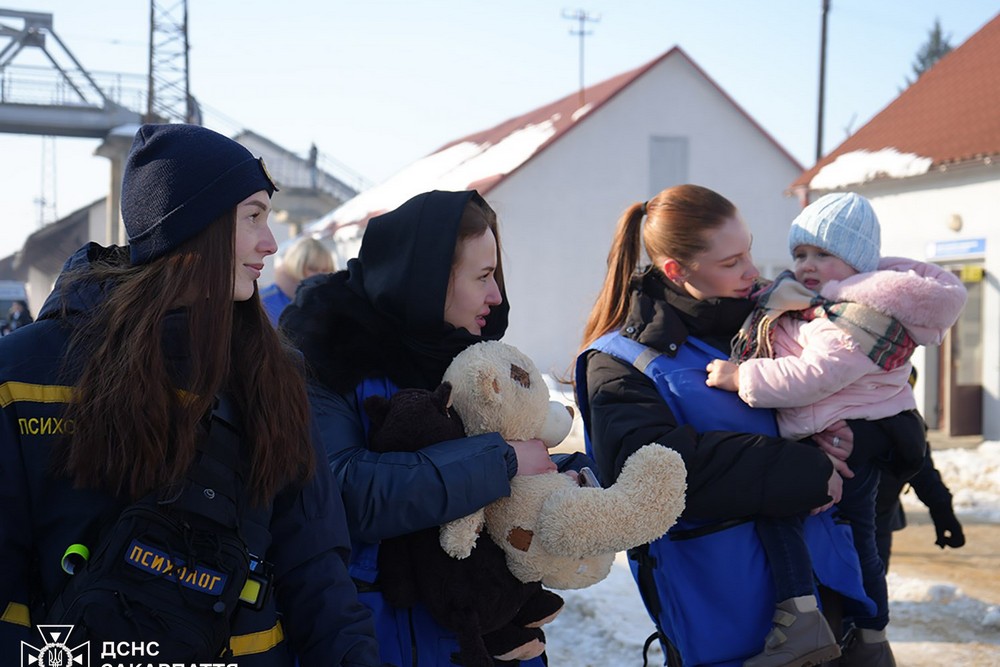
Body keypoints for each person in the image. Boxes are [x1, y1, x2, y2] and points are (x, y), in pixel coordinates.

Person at [0, 124, 383, 666]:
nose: (271, 243)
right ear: (193, 226)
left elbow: (317, 572)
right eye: (253, 216)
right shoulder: (22, 374)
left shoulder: (275, 376)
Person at [280, 189, 583, 667]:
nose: (496, 296)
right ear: (426, 280)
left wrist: (569, 479)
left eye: (496, 275)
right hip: (386, 637)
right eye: (483, 276)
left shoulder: (467, 353)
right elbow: (348, 492)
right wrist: (502, 461)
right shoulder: (327, 360)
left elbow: (525, 445)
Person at [574, 184, 863, 667]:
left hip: (834, 603)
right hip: (733, 627)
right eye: (731, 263)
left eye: (748, 250)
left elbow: (868, 390)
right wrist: (809, 469)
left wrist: (846, 433)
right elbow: (655, 473)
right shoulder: (618, 364)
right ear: (677, 271)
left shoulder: (776, 327)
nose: (752, 271)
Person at [706, 192, 967, 666]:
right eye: (801, 253)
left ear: (857, 263)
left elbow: (812, 377)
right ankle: (868, 640)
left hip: (848, 451)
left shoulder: (851, 320)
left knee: (796, 522)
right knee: (857, 542)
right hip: (841, 442)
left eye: (824, 254)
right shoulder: (824, 308)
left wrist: (741, 376)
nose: (807, 265)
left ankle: (812, 623)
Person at [875, 369, 965, 571]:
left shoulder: (907, 422)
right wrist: (943, 511)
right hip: (848, 521)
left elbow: (922, 470)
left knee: (868, 587)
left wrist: (943, 511)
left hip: (875, 520)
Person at [260, 236, 336, 326]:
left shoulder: (332, 303)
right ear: (296, 265)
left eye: (325, 270)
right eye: (312, 269)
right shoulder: (263, 301)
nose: (319, 274)